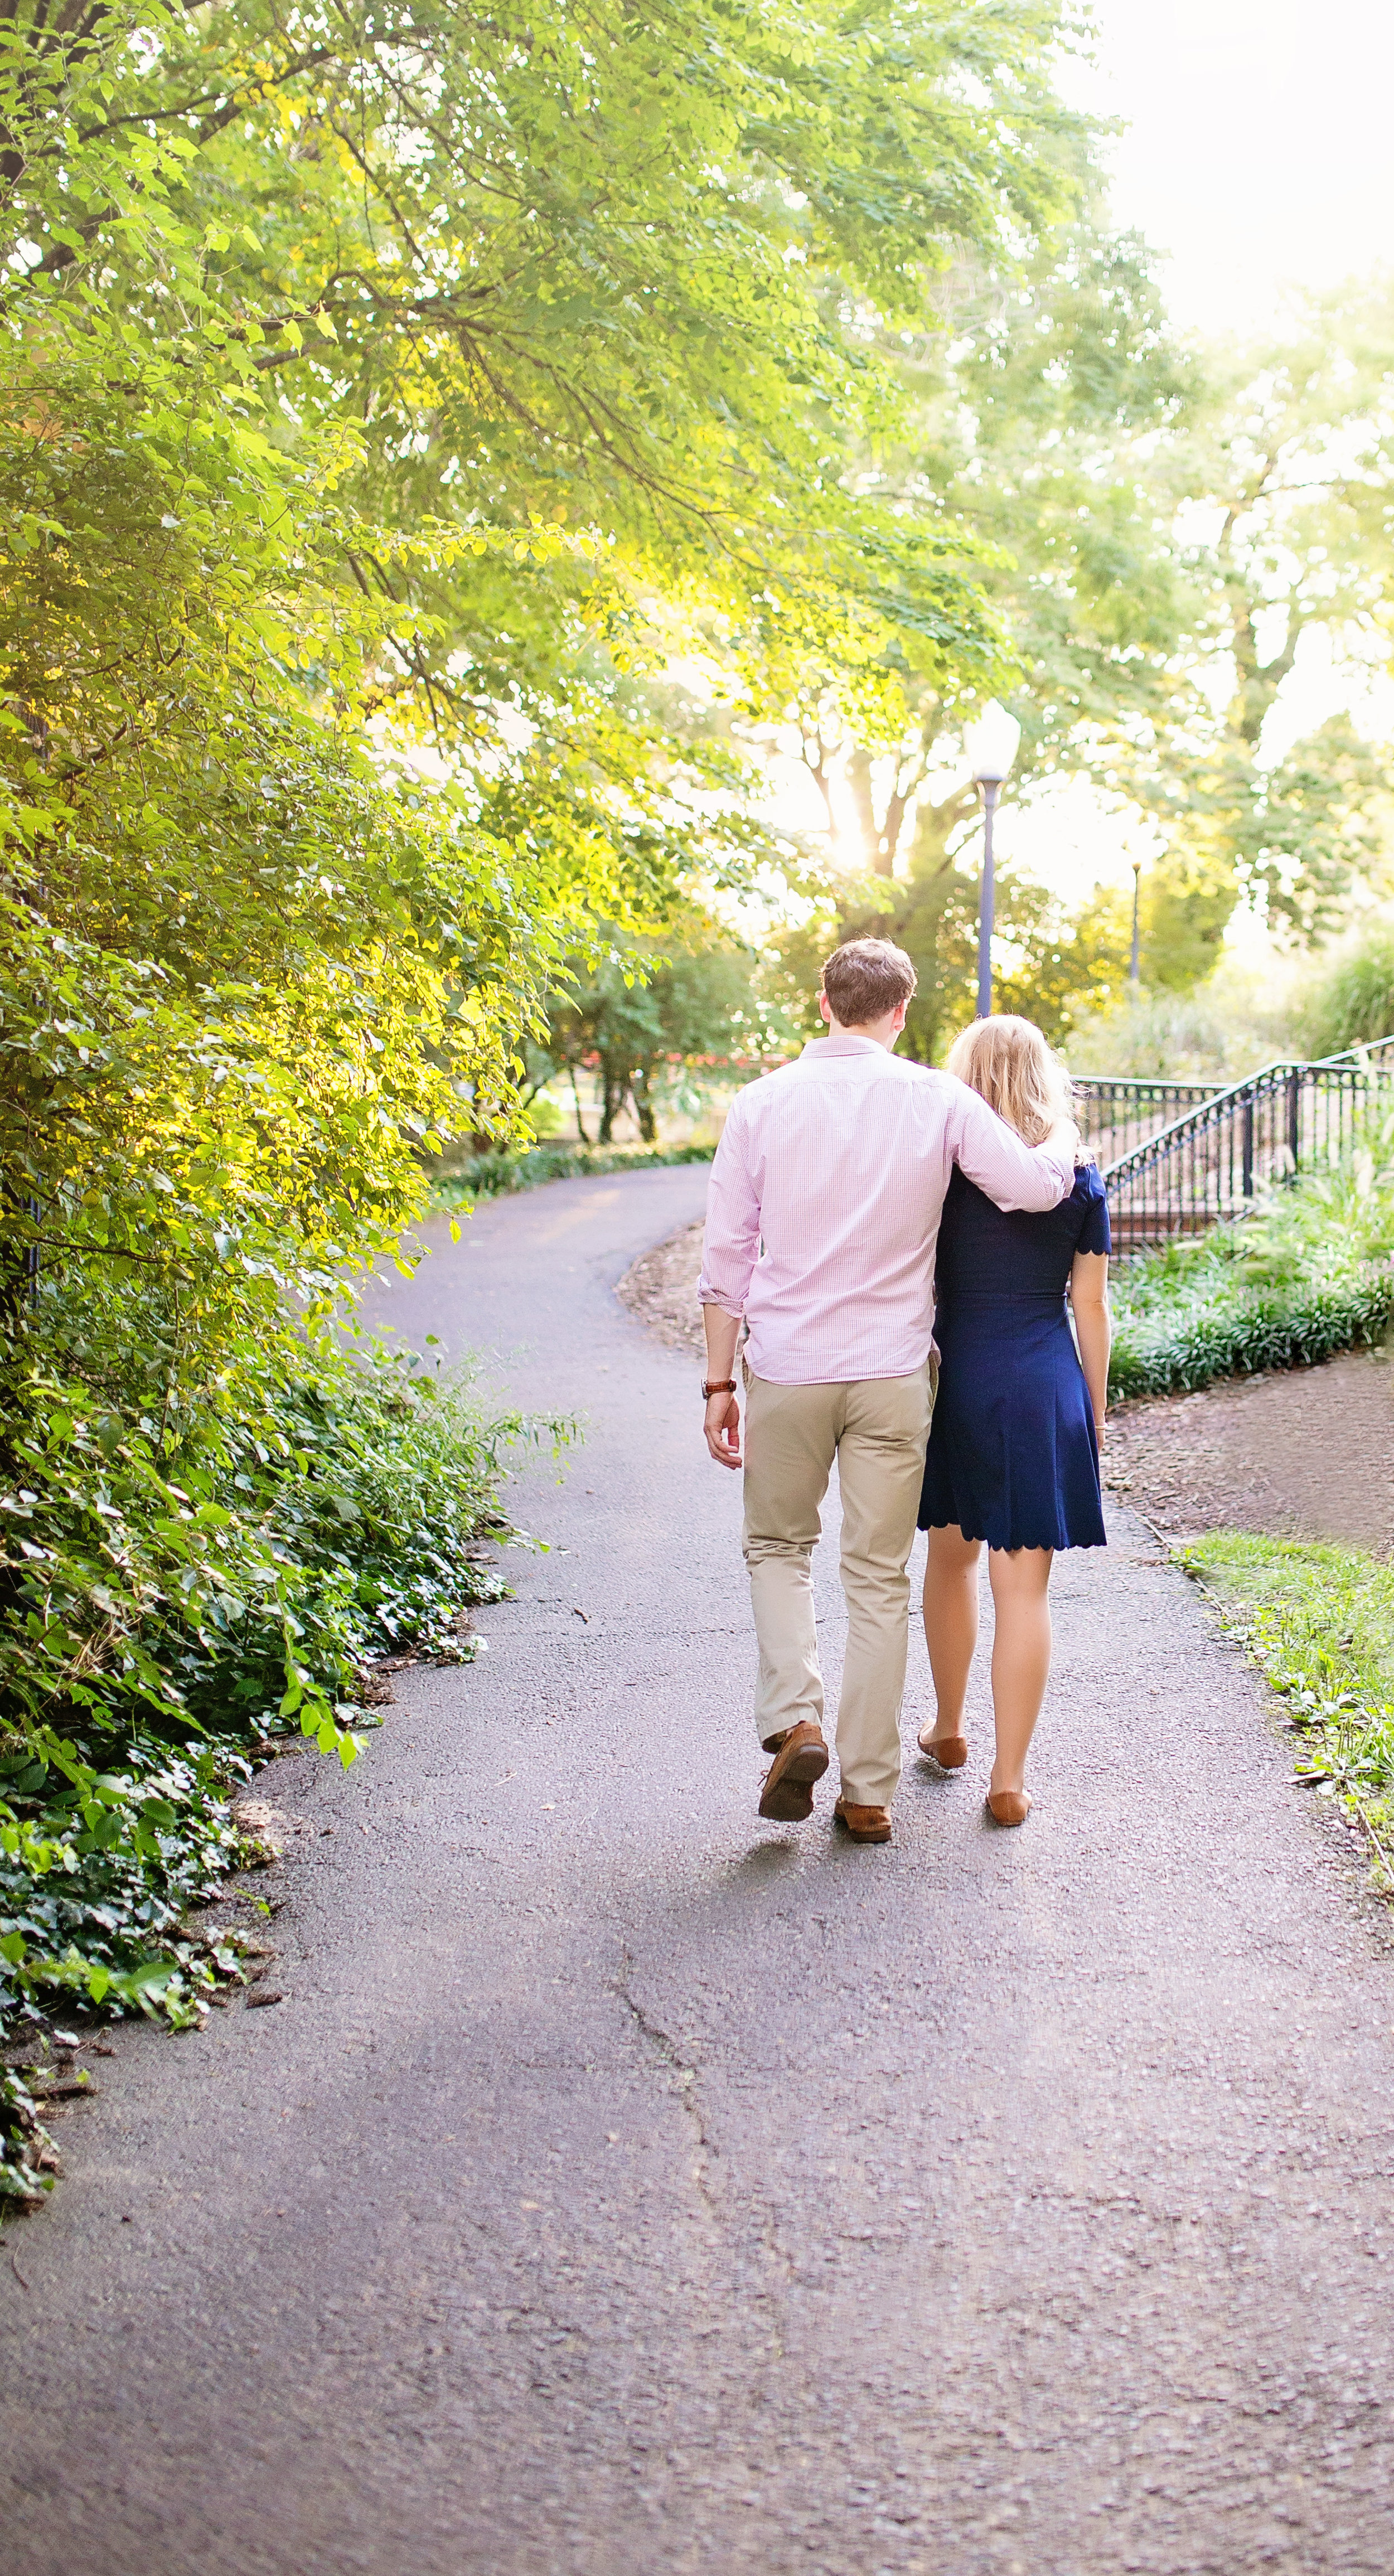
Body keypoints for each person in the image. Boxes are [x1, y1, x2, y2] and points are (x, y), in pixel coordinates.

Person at [697, 939, 1080, 1845]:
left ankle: (797, 1719)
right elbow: (1031, 1189)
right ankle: (868, 1792)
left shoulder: (760, 1105)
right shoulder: (937, 1097)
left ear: (823, 1004)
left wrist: (719, 1381)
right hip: (893, 1373)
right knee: (878, 1577)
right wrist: (1062, 1131)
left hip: (787, 1366)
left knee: (778, 1548)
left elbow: (725, 1260)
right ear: (901, 1012)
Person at [915, 1014, 1111, 1826]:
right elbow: (1091, 1308)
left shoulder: (942, 1171)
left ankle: (950, 1728)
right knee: (1024, 1591)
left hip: (958, 1379)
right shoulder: (1079, 1175)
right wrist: (1093, 1417)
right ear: (1045, 1077)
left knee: (951, 1562)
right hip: (1041, 1386)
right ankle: (1009, 1778)